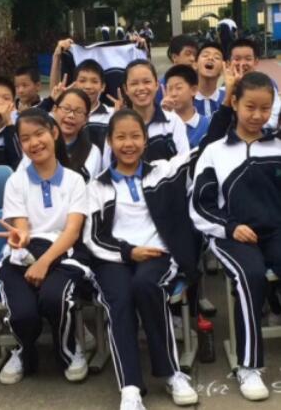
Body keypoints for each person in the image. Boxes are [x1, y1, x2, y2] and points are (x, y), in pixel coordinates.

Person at [84, 109, 199, 410]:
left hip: (156, 253)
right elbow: (92, 237)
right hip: (114, 257)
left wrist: (226, 106)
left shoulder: (163, 172)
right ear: (110, 142)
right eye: (120, 137)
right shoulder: (97, 186)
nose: (128, 143)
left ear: (145, 140)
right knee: (119, 299)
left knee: (147, 285)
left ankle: (172, 373)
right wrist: (127, 252)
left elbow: (205, 148)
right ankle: (130, 387)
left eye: (135, 136)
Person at [190, 72, 281, 402]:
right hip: (231, 235)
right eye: (250, 107)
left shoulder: (277, 146)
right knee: (250, 275)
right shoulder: (215, 151)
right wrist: (230, 227)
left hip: (275, 231)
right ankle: (249, 365)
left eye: (265, 108)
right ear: (234, 103)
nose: (257, 115)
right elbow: (200, 206)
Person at [0, 108, 91, 385]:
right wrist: (21, 238)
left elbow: (72, 231)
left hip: (64, 254)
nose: (34, 143)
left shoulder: (74, 180)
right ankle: (24, 351)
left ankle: (68, 351)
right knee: (23, 313)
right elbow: (22, 228)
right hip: (25, 255)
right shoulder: (16, 181)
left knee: (53, 298)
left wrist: (44, 263)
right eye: (25, 139)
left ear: (54, 133)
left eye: (39, 134)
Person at [102, 59, 189, 166]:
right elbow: (107, 164)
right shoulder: (115, 125)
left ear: (156, 84)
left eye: (147, 82)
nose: (141, 88)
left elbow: (184, 162)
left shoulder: (173, 121)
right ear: (126, 89)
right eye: (134, 83)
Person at [228, 38, 281, 128]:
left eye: (248, 59)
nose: (242, 63)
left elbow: (273, 119)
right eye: (237, 59)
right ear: (229, 62)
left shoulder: (267, 84)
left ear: (256, 62)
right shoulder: (224, 88)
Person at [162, 65, 209, 148]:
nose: (173, 94)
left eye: (178, 88)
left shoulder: (208, 125)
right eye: (170, 89)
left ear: (194, 90)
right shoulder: (162, 125)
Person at [155, 35, 198, 105]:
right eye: (188, 54)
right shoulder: (161, 86)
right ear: (174, 57)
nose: (192, 59)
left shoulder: (199, 82)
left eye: (194, 55)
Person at [194, 42, 226, 119]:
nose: (210, 58)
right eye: (205, 55)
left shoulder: (228, 97)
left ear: (223, 68)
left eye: (217, 57)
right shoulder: (184, 99)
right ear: (195, 64)